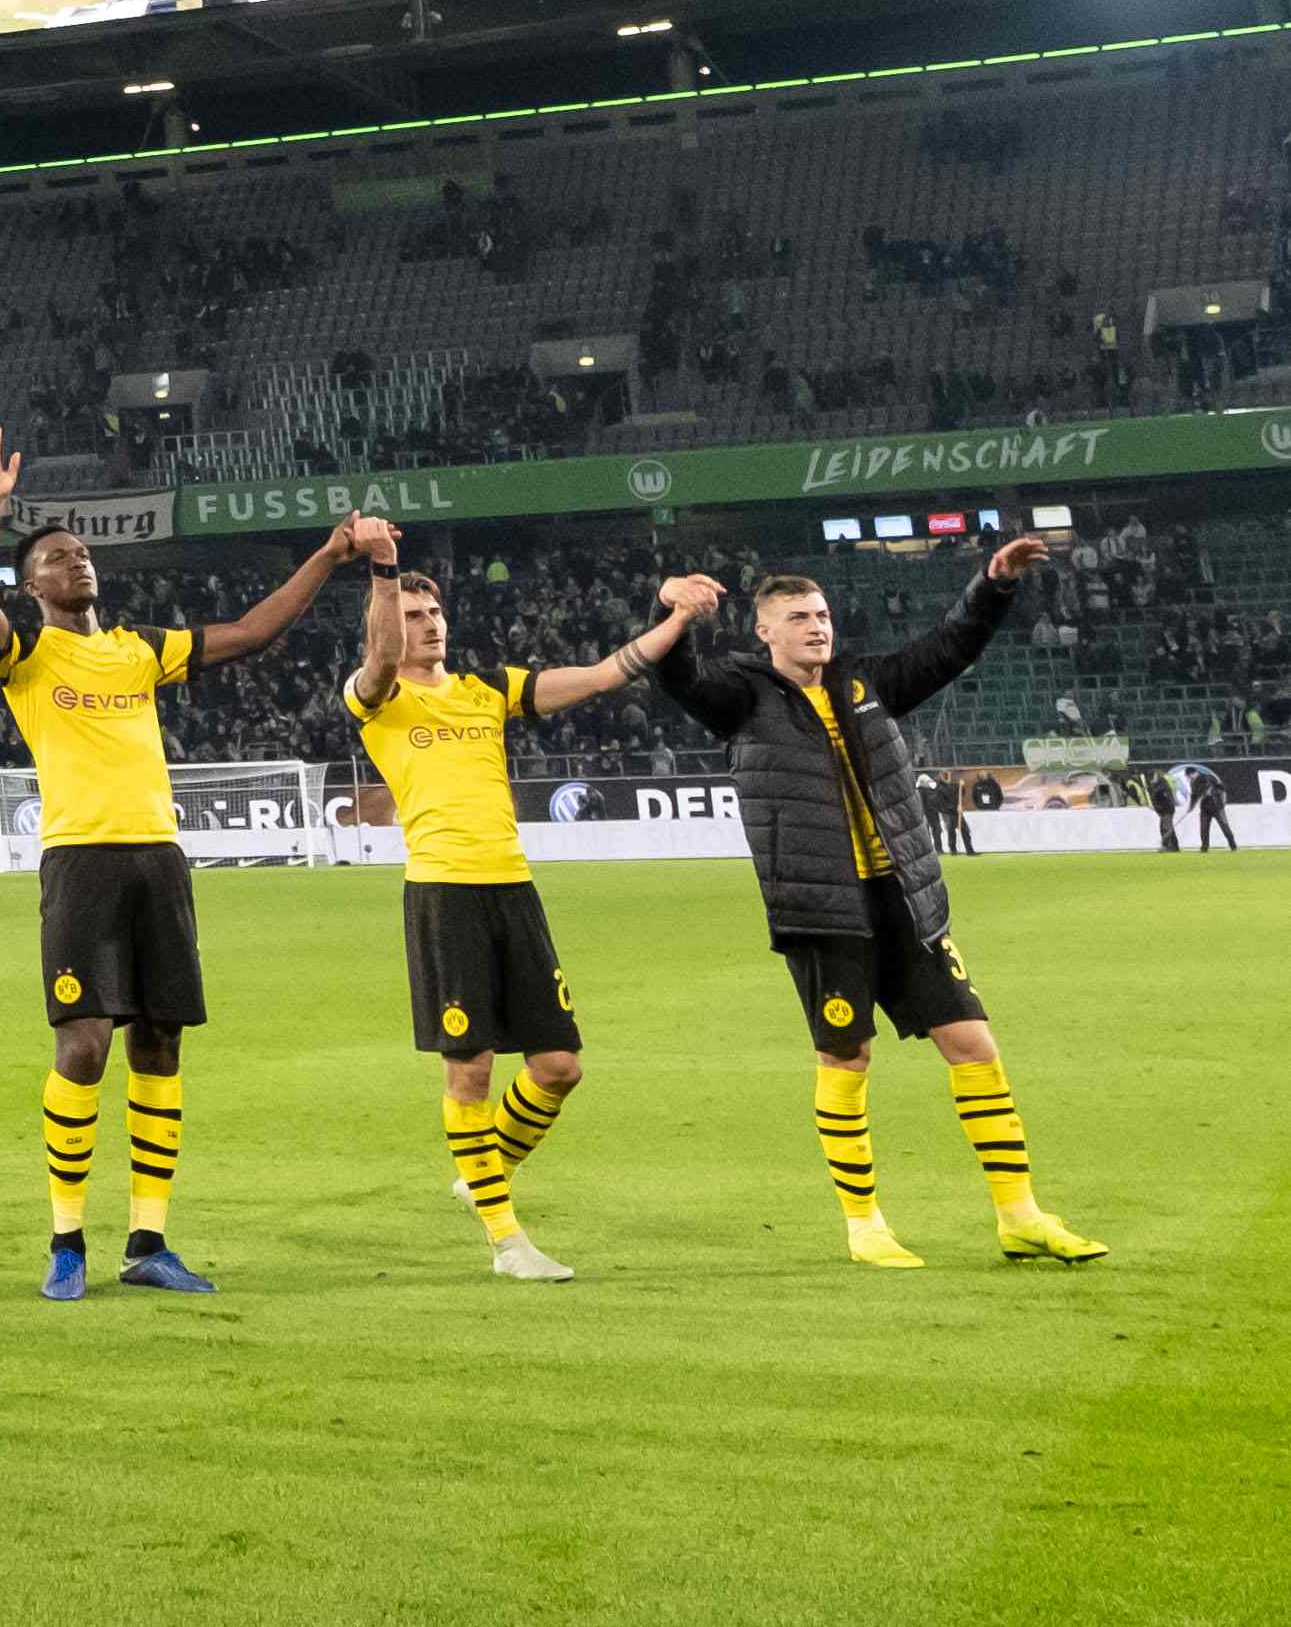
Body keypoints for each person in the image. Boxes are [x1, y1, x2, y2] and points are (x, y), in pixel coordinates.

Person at [0, 423, 378, 1302]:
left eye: (81, 552)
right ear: (32, 585)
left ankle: (147, 1239)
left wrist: (329, 554)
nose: (77, 561)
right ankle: (65, 1240)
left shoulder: (139, 648)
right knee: (82, 1045)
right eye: (58, 556)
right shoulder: (25, 655)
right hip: (79, 861)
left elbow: (251, 631)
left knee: (159, 1041)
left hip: (158, 858)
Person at [650, 546, 1105, 1268]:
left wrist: (992, 584)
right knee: (846, 1055)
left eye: (822, 614)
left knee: (973, 1044)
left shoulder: (865, 682)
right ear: (764, 632)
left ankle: (1019, 1216)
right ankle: (864, 1225)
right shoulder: (739, 696)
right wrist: (671, 610)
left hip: (905, 898)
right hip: (822, 909)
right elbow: (675, 675)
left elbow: (951, 645)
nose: (816, 627)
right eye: (798, 617)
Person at [343, 549, 717, 1281]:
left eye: (435, 612)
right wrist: (384, 574)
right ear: (385, 625)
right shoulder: (375, 697)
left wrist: (676, 616)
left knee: (558, 1066)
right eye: (412, 616)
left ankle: (480, 1170)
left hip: (514, 890)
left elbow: (605, 674)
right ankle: (506, 1242)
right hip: (443, 894)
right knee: (471, 1070)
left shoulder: (487, 689)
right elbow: (380, 658)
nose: (430, 624)